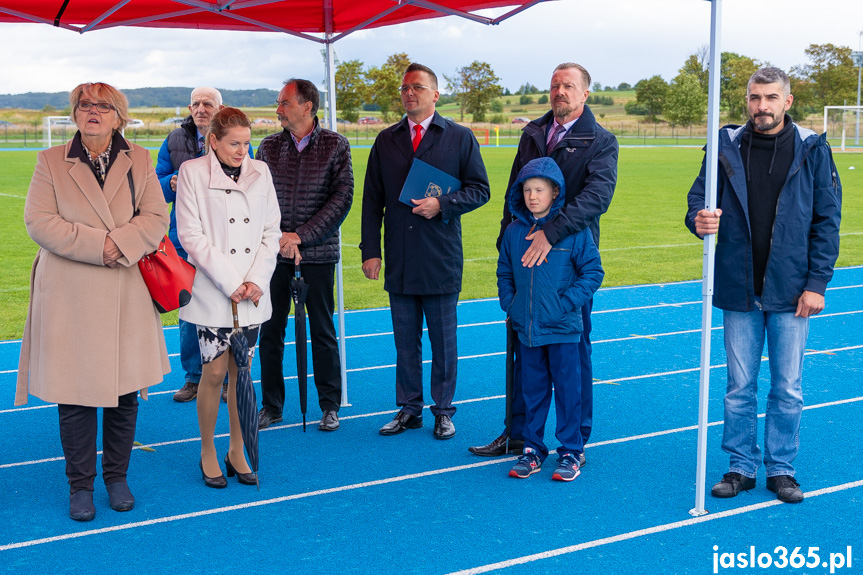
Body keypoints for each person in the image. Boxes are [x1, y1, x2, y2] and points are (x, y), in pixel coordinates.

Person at [686, 67, 841, 504]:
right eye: (755, 98)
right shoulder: (725, 146)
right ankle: (739, 465)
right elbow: (699, 199)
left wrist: (817, 283)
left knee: (787, 386)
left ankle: (782, 469)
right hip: (738, 286)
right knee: (739, 386)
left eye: (771, 98)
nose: (762, 106)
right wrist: (698, 219)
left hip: (792, 290)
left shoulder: (813, 148)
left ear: (787, 101)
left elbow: (827, 222)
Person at [16, 82, 170, 521]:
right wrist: (99, 246)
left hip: (125, 286)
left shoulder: (140, 159)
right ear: (75, 114)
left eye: (103, 106)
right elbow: (39, 221)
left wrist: (117, 245)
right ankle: (79, 484)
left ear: (118, 115)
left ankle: (116, 476)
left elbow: (157, 217)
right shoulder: (50, 161)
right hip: (70, 290)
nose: (93, 112)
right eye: (85, 105)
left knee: (124, 392)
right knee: (75, 392)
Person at [468, 63, 618, 462]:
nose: (560, 91)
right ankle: (519, 435)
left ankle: (576, 443)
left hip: (566, 262)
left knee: (573, 360)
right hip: (524, 264)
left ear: (585, 93)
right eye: (554, 85)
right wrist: (508, 242)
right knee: (522, 353)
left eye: (569, 85)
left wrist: (551, 234)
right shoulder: (533, 133)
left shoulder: (600, 140)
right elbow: (513, 193)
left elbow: (596, 198)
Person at [361, 63, 490, 439]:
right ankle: (409, 408)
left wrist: (443, 205)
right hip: (400, 256)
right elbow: (372, 202)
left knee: (443, 341)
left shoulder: (460, 137)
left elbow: (480, 189)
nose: (409, 93)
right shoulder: (386, 140)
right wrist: (371, 250)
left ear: (436, 94)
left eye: (417, 87)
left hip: (440, 256)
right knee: (405, 341)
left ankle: (443, 410)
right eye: (404, 88)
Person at [175, 107, 281, 488]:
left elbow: (272, 230)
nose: (242, 151)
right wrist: (230, 281)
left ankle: (237, 450)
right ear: (214, 141)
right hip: (212, 293)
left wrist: (255, 280)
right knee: (214, 373)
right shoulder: (191, 173)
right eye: (234, 144)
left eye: (247, 143)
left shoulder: (261, 172)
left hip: (252, 295)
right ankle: (207, 449)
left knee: (242, 375)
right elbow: (190, 235)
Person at [256, 79, 353, 432]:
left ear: (306, 105)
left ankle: (330, 405)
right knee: (270, 331)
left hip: (319, 255)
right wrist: (280, 237)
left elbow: (341, 200)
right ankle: (272, 406)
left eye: (284, 103)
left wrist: (301, 236)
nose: (278, 109)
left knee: (323, 330)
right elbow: (257, 199)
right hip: (274, 254)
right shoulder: (267, 147)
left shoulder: (336, 145)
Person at [498, 157, 603, 481]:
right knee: (533, 392)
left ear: (554, 192)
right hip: (528, 330)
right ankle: (532, 450)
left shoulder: (574, 231)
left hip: (563, 329)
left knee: (569, 392)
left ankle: (571, 452)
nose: (532, 196)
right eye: (527, 189)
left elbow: (593, 272)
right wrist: (511, 305)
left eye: (539, 189)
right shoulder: (515, 232)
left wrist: (565, 304)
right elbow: (504, 272)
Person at [155, 87, 230, 403]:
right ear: (189, 107)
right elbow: (153, 186)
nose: (201, 108)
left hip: (223, 240)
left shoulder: (235, 137)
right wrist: (169, 183)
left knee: (224, 310)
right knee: (188, 312)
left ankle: (226, 378)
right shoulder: (173, 141)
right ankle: (193, 378)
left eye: (207, 103)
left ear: (220, 108)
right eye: (196, 103)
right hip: (183, 240)